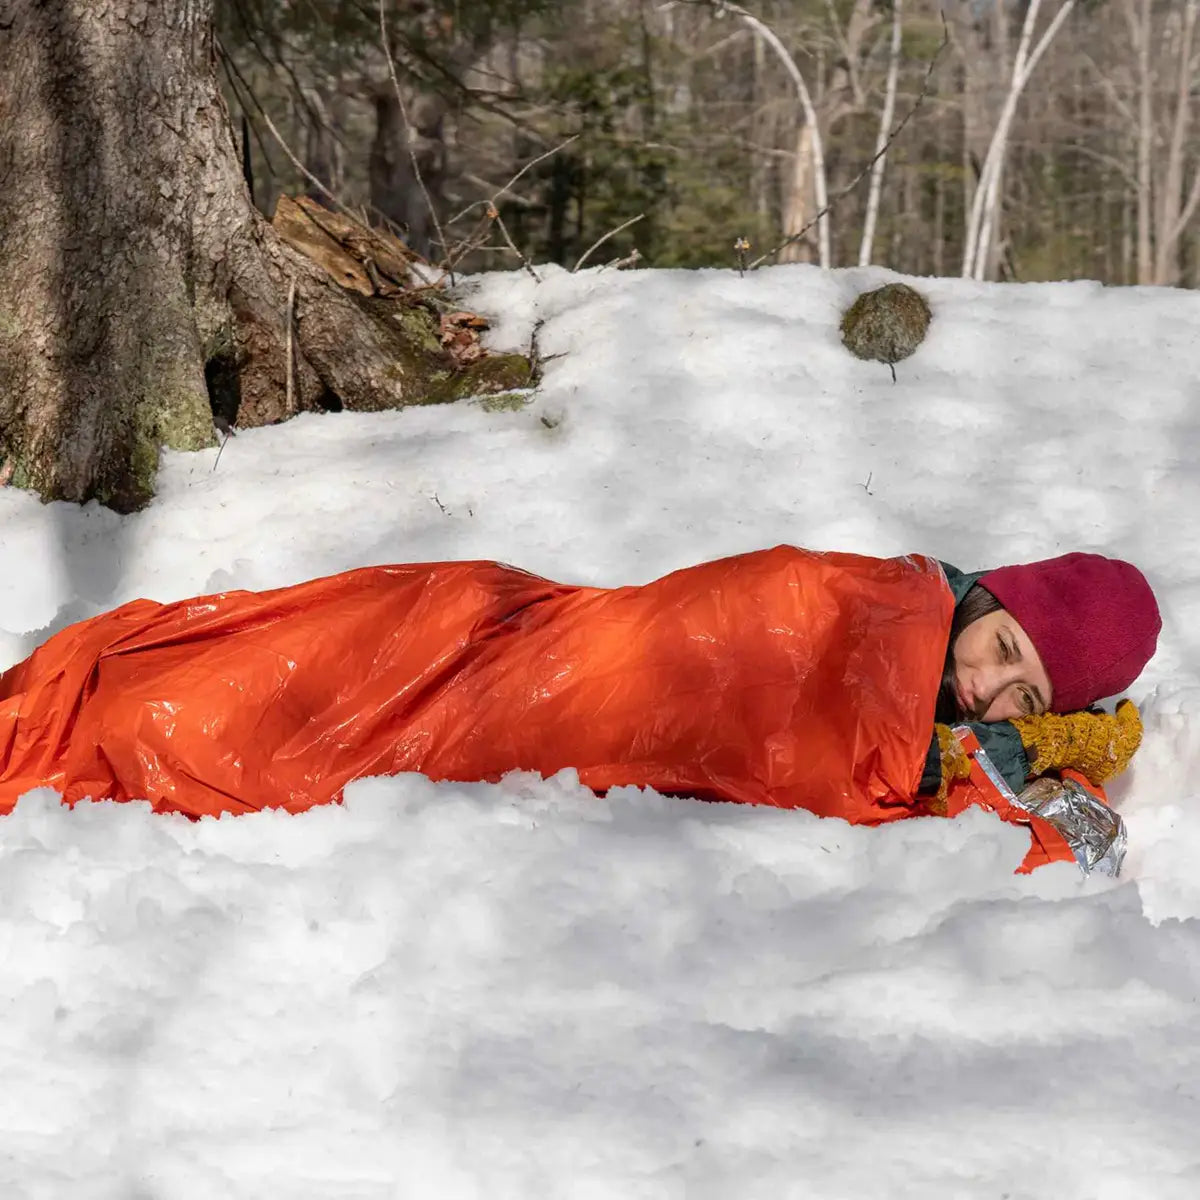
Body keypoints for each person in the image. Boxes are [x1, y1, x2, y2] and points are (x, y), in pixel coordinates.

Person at [0, 547, 1160, 843]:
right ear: (986, 598)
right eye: (1004, 641)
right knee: (158, 710)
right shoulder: (876, 602)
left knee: (183, 725)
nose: (989, 679)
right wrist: (1017, 754)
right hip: (481, 632)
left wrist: (1035, 747)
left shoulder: (942, 742)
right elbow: (811, 721)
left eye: (1025, 688)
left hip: (500, 703)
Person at [920, 552, 1159, 808]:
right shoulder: (893, 600)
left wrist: (1047, 741)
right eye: (1003, 648)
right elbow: (888, 766)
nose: (985, 689)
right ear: (988, 600)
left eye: (1025, 697)